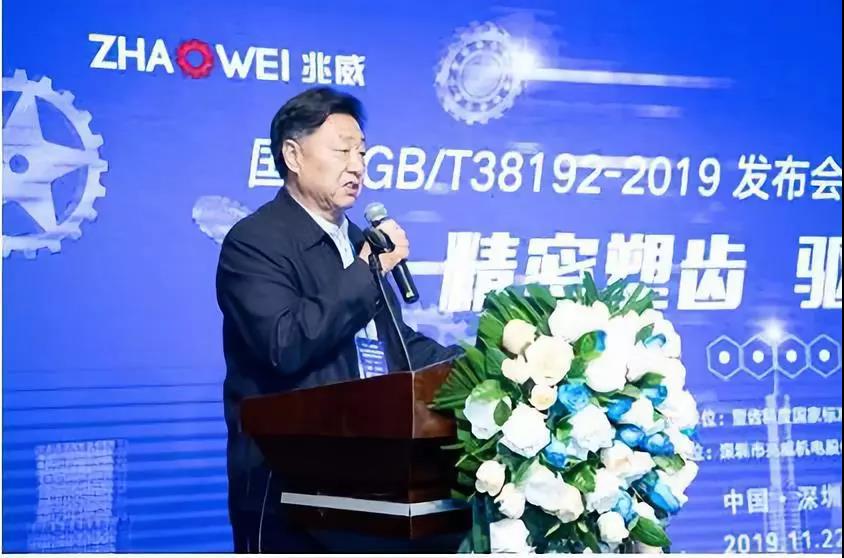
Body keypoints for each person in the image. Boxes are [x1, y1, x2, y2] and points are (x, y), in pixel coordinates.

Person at [215, 86, 461, 553]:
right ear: (293, 155)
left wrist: (477, 365)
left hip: (379, 478)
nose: (357, 166)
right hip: (290, 493)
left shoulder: (358, 241)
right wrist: (367, 271)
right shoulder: (254, 243)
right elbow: (284, 343)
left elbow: (393, 345)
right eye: (342, 150)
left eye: (362, 152)